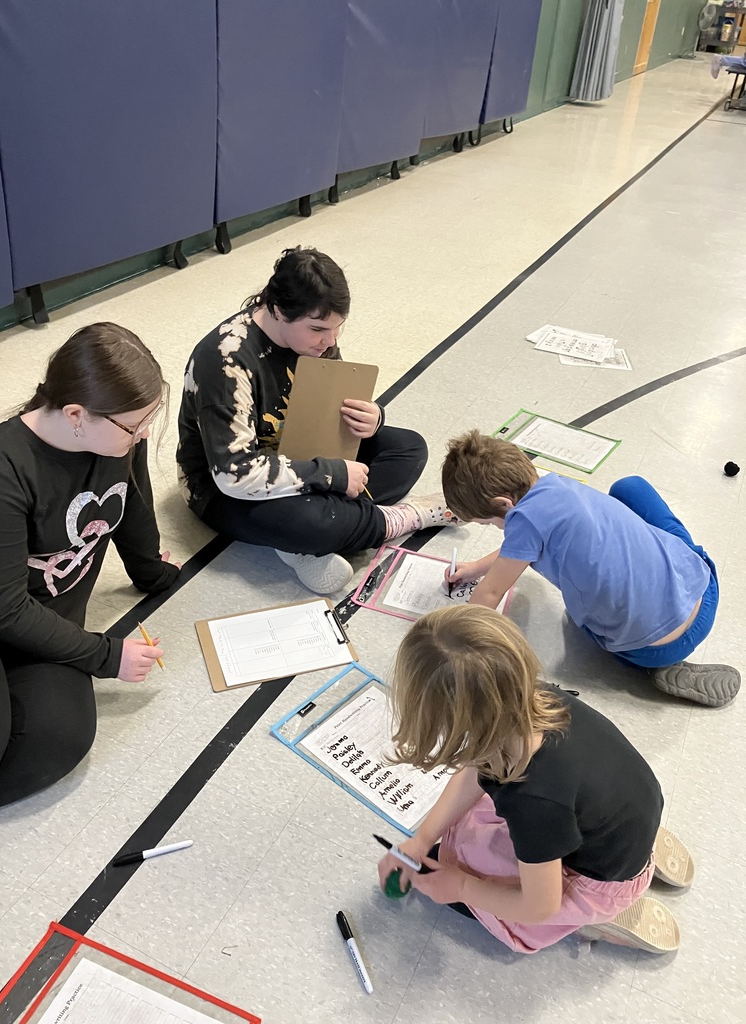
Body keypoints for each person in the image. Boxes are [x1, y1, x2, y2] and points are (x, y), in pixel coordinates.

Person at [377, 605, 693, 955]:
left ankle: (596, 918)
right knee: (455, 840)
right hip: (627, 818)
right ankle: (634, 862)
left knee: (455, 867)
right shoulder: (531, 697)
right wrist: (420, 840)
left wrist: (463, 888)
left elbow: (539, 905)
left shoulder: (534, 800)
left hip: (603, 880)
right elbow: (476, 771)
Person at [0, 323, 180, 812]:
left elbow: (131, 506)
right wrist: (105, 655)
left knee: (60, 739)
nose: (144, 432)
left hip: (42, 622)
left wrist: (152, 572)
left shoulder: (114, 443)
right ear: (75, 414)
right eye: (136, 424)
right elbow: (1, 610)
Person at [177, 246, 455, 594]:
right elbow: (235, 474)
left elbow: (332, 403)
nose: (330, 341)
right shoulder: (226, 360)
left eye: (338, 328)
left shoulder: (314, 340)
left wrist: (371, 417)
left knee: (408, 447)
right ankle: (398, 519)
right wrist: (332, 475)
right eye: (318, 329)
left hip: (302, 454)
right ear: (277, 310)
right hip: (223, 487)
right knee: (310, 521)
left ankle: (315, 535)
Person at [441, 430, 740, 708]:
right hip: (703, 594)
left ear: (504, 504)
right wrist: (476, 568)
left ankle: (653, 665)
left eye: (489, 522)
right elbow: (522, 545)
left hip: (648, 650)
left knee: (579, 619)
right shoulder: (554, 483)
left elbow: (490, 593)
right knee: (629, 488)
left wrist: (452, 643)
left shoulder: (523, 523)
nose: (496, 528)